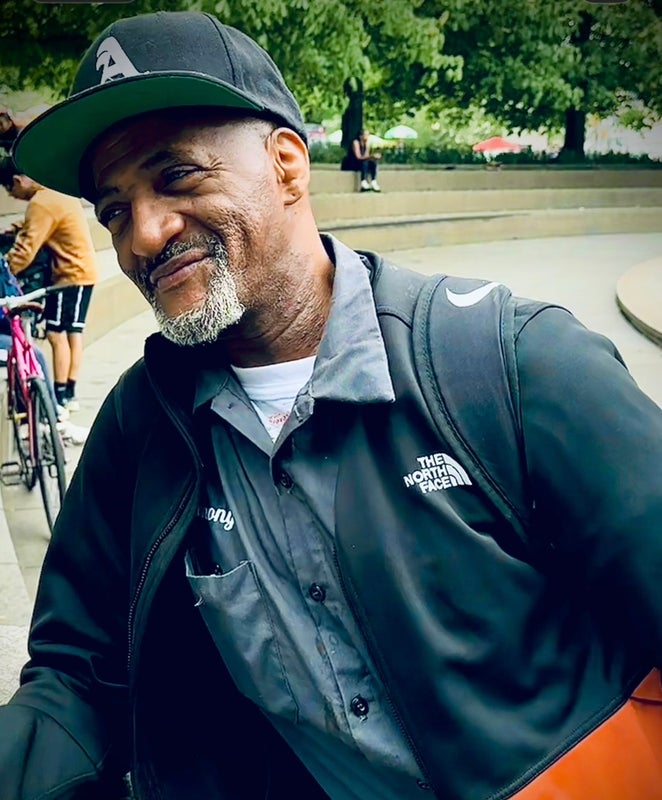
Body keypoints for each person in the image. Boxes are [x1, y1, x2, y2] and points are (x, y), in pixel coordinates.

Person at [1, 10, 662, 800]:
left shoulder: (516, 363)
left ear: (287, 165)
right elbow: (76, 675)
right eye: (114, 209)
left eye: (176, 176)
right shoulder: (140, 428)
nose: (143, 234)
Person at [0, 164, 98, 412]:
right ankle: (69, 393)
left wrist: (5, 271)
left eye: (10, 190)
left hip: (68, 276)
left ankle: (61, 394)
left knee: (56, 335)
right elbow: (47, 223)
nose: (13, 197)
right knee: (73, 333)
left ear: (18, 180)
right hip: (83, 272)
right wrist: (19, 228)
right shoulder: (56, 193)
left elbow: (25, 250)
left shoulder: (41, 203)